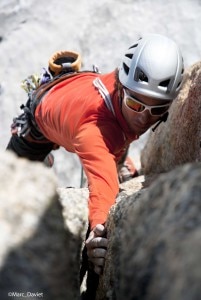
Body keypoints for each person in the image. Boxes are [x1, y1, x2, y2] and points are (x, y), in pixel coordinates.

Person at [6, 33, 184, 276]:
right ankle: (42, 159)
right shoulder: (95, 132)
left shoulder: (125, 89)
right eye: (136, 105)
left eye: (158, 109)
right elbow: (102, 185)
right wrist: (98, 232)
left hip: (75, 92)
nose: (144, 117)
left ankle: (118, 159)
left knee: (121, 132)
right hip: (38, 123)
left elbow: (128, 118)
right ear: (121, 88)